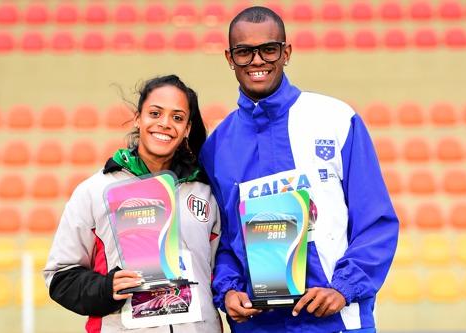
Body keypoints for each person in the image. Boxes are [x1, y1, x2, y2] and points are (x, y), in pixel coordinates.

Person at [199, 6, 399, 333]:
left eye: (269, 49)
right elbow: (222, 244)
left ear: (286, 52)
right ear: (229, 58)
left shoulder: (336, 120)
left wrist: (343, 289)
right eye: (244, 52)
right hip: (258, 326)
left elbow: (376, 222)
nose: (257, 61)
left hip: (338, 322)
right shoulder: (217, 146)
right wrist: (229, 290)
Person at [44, 75, 222, 333]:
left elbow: (221, 269)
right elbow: (60, 278)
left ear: (187, 129)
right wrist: (107, 287)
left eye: (177, 117)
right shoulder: (94, 191)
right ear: (138, 118)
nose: (165, 124)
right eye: (155, 113)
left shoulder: (205, 193)